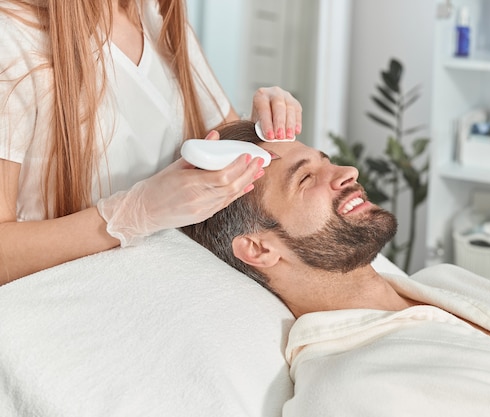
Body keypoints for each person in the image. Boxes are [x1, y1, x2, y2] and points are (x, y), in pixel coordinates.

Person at [183, 120, 490, 417]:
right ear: (259, 249)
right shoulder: (348, 389)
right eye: (305, 178)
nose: (347, 171)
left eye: (325, 161)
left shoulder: (446, 282)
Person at [0, 0, 302, 284]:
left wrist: (263, 122)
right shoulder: (12, 38)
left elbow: (228, 143)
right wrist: (133, 214)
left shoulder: (156, 15)